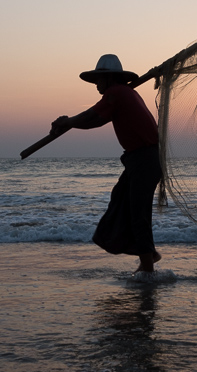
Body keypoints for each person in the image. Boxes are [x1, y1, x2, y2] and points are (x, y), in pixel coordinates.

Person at [51, 54, 163, 273]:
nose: (96, 85)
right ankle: (149, 255)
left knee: (138, 213)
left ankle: (147, 270)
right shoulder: (122, 94)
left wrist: (68, 121)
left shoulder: (117, 93)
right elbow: (96, 121)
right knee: (121, 200)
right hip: (138, 160)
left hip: (145, 159)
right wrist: (70, 124)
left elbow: (91, 115)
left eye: (98, 80)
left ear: (110, 78)